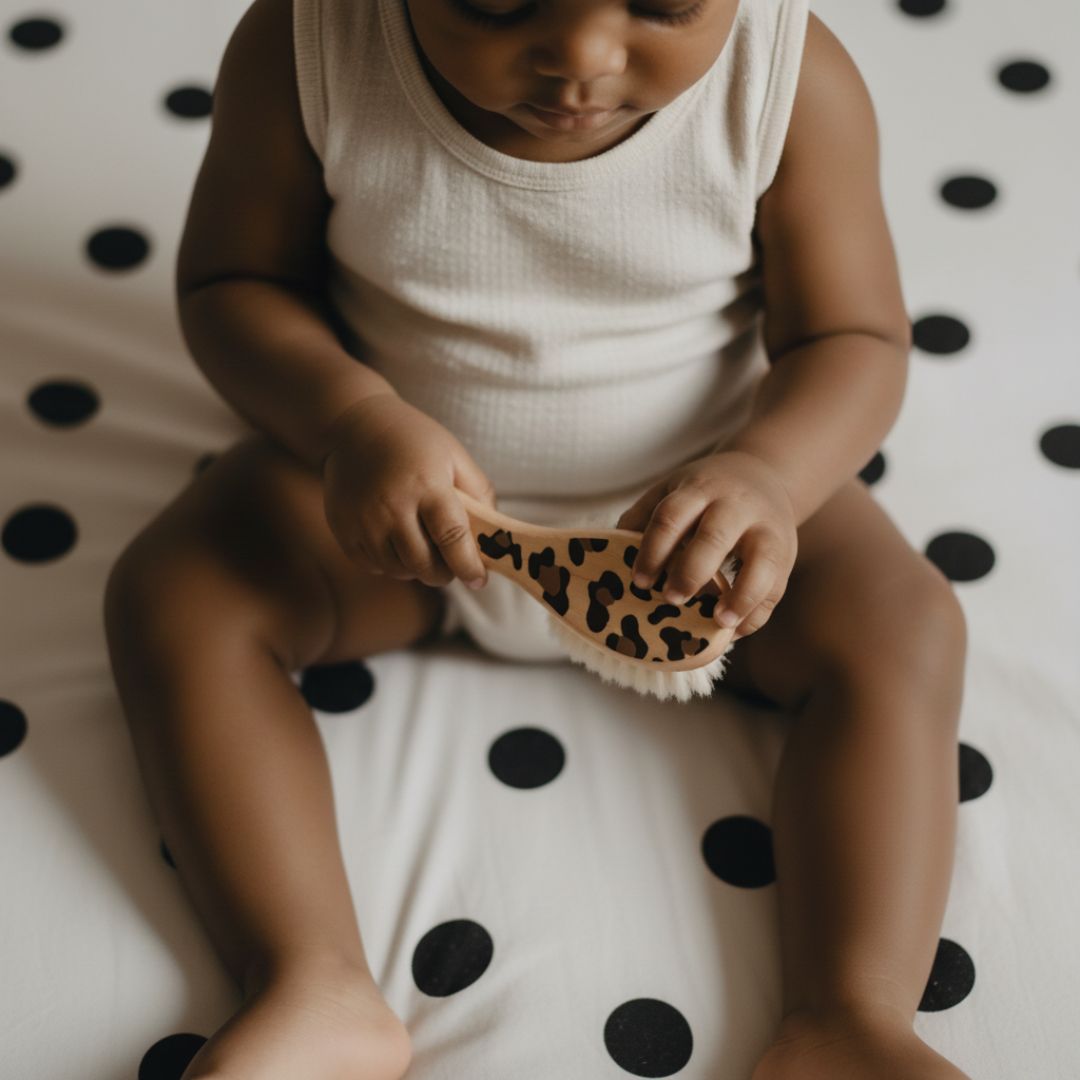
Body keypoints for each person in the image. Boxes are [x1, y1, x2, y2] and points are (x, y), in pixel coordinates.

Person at [103, 0, 972, 1076]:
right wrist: (347, 422)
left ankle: (852, 1015)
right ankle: (311, 979)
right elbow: (234, 286)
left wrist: (771, 478)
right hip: (406, 518)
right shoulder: (308, 45)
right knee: (176, 593)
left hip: (690, 531)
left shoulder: (790, 78)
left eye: (662, 4)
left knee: (903, 627)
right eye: (498, 1)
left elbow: (854, 337)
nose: (582, 58)